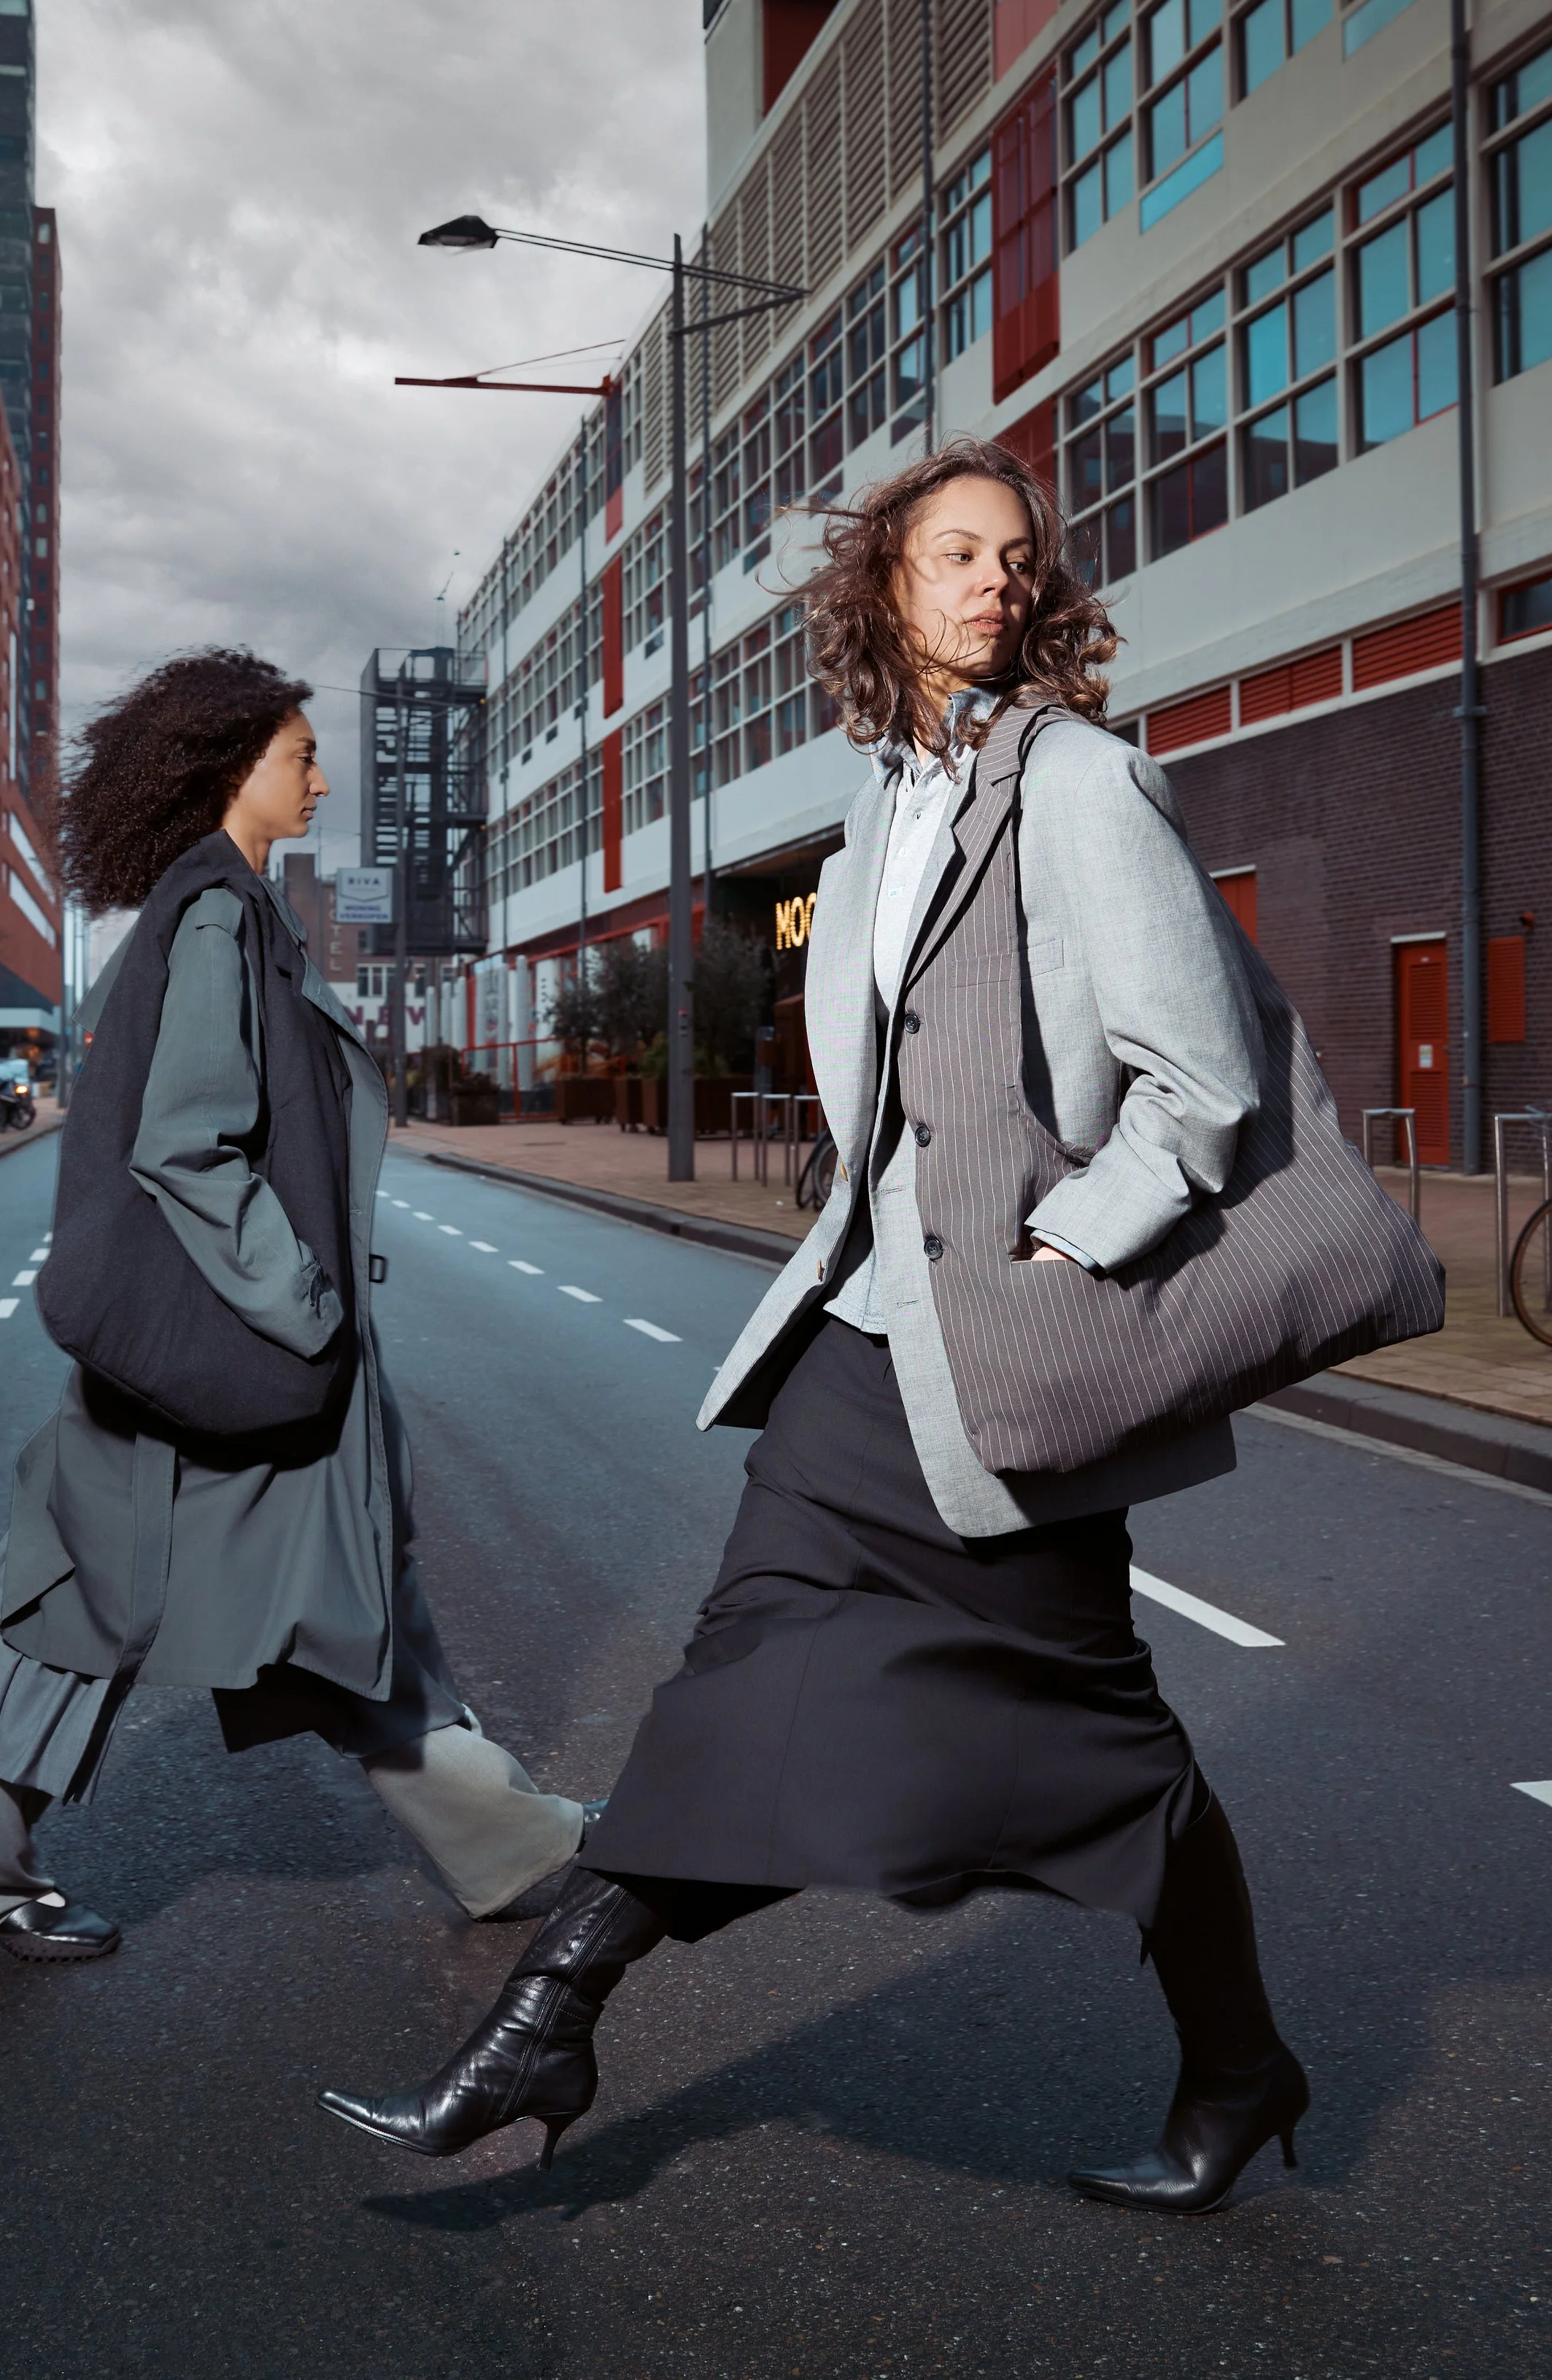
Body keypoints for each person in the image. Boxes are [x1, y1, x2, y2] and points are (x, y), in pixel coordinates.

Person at [319, 439, 1308, 2213]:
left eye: (1014, 557)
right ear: (885, 590)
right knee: (747, 1669)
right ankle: (555, 2013)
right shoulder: (873, 812)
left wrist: (1068, 1252)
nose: (994, 581)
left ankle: (1238, 2072)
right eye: (952, 554)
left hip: (1008, 1349)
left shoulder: (1079, 781)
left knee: (1099, 1730)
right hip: (864, 1344)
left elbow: (1198, 1083)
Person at [0, 650, 591, 1959]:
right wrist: (302, 1301)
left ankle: (514, 1842)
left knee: (334, 1586)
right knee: (77, 1601)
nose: (321, 775)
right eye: (300, 754)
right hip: (219, 1348)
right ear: (229, 765)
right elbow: (187, 1140)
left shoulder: (230, 906)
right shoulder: (216, 912)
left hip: (212, 1351)